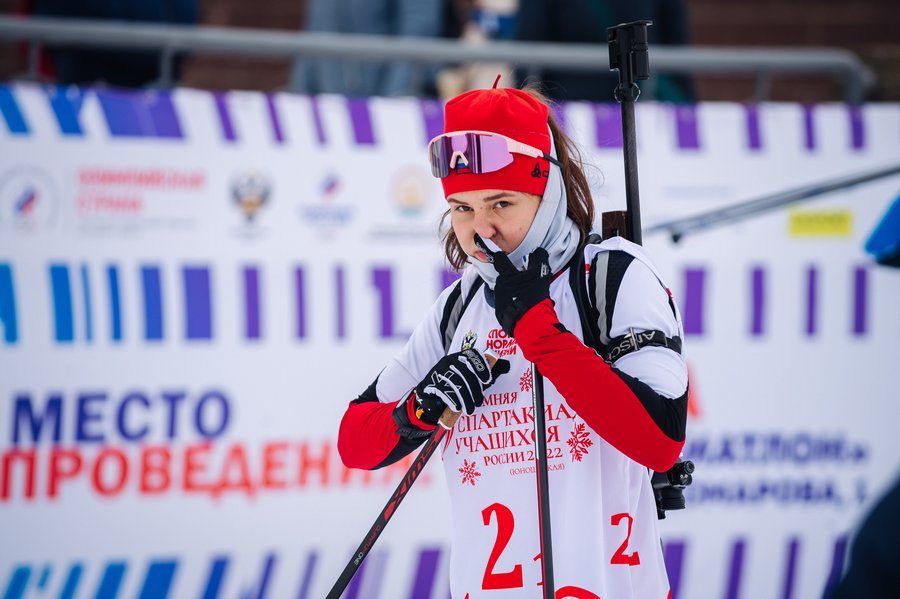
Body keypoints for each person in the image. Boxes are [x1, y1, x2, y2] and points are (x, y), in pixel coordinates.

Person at [337, 82, 688, 597]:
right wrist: (419, 409)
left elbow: (660, 441)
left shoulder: (612, 276)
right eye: (462, 208)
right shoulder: (461, 305)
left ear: (547, 195)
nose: (482, 230)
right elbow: (354, 441)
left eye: (501, 203)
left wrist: (539, 332)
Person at [290, 0, 444, 97]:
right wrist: (300, 89)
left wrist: (395, 96)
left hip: (387, 100)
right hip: (331, 102)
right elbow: (315, 27)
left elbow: (417, 29)